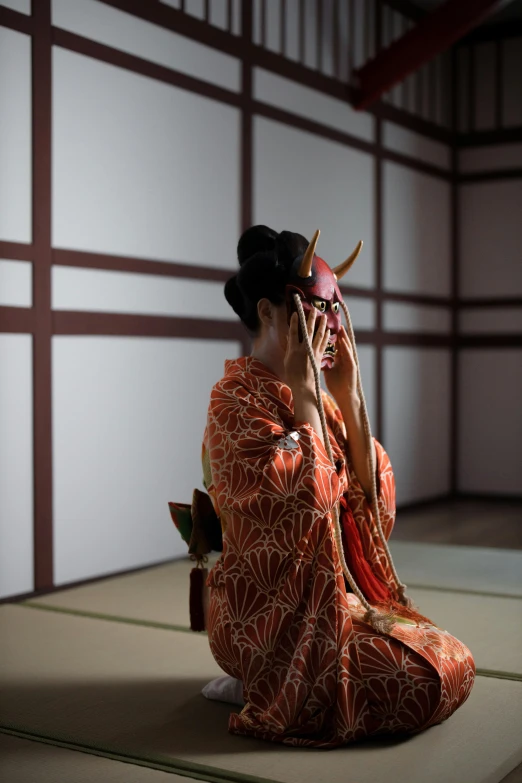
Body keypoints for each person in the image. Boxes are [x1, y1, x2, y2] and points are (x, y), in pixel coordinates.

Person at [200, 225, 475, 747]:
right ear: (267, 313)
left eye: (331, 311)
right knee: (419, 683)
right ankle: (262, 679)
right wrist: (306, 397)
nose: (327, 325)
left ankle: (289, 681)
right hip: (267, 616)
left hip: (331, 604)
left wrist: (346, 397)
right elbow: (302, 508)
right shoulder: (233, 401)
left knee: (452, 660)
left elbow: (372, 514)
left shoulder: (321, 398)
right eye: (311, 310)